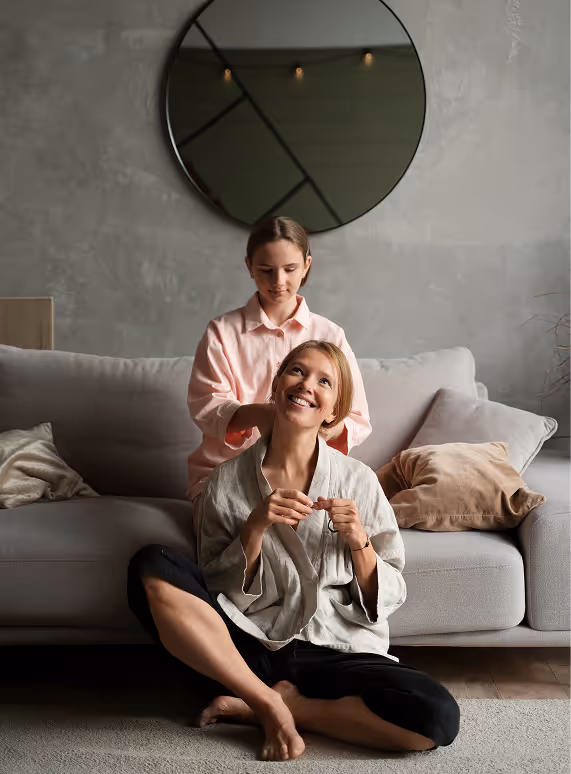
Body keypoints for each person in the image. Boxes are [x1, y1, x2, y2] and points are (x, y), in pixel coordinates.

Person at [128, 340, 460, 762]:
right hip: (253, 646)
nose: (306, 385)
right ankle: (265, 701)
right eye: (296, 371)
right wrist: (254, 526)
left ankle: (287, 708)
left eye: (324, 381)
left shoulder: (358, 481)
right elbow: (214, 587)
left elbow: (391, 594)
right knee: (151, 564)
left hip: (335, 650)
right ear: (276, 384)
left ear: (334, 411)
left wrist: (359, 541)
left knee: (437, 717)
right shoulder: (225, 483)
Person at [186, 216, 371, 529]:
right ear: (249, 266)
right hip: (225, 475)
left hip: (308, 478)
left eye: (290, 269)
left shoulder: (331, 334)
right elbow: (207, 406)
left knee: (324, 536)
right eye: (266, 270)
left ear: (307, 265)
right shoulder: (221, 333)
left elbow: (355, 419)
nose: (279, 281)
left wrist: (307, 430)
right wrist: (266, 415)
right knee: (240, 540)